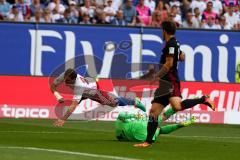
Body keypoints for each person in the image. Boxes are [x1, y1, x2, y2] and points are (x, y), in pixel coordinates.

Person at [134, 21, 215, 147]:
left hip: (170, 80)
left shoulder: (171, 44)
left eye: (162, 30)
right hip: (164, 84)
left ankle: (203, 99)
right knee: (154, 112)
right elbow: (183, 57)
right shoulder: (174, 44)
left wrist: (156, 75)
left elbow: (169, 64)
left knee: (176, 106)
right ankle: (147, 141)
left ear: (164, 31)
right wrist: (178, 55)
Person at [51, 68, 146, 126]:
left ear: (74, 79)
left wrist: (63, 119)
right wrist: (57, 95)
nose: (65, 82)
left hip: (93, 90)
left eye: (68, 81)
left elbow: (73, 105)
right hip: (87, 87)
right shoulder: (64, 75)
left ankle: (134, 101)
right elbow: (52, 86)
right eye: (65, 79)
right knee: (72, 105)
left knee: (113, 103)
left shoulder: (79, 87)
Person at [115, 112, 195, 142]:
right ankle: (177, 110)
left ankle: (179, 125)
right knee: (162, 117)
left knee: (159, 130)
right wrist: (135, 115)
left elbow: (121, 115)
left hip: (140, 137)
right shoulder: (120, 122)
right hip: (140, 129)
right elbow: (121, 115)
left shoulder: (118, 130)